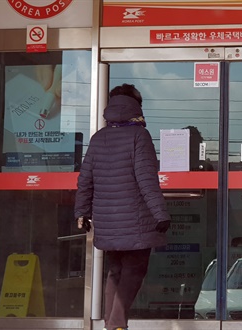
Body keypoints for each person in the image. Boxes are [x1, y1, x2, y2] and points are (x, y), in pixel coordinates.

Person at [74, 83, 171, 330]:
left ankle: (112, 324)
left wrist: (82, 212)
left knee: (116, 271)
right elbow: (146, 179)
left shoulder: (98, 138)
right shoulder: (139, 136)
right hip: (136, 221)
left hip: (108, 222)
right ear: (136, 105)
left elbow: (85, 179)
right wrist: (160, 214)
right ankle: (117, 325)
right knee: (134, 271)